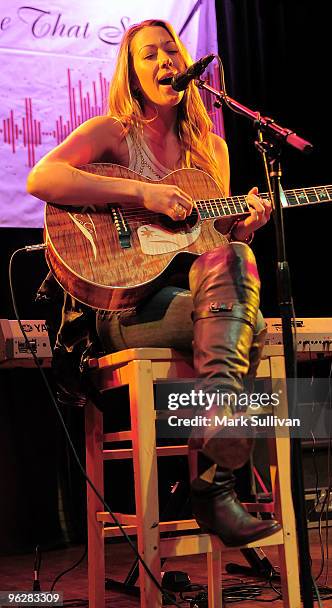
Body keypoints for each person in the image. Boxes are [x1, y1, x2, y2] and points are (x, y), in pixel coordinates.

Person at [27, 19, 280, 546]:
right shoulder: (114, 133)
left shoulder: (214, 151)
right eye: (149, 55)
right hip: (124, 309)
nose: (165, 62)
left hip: (189, 300)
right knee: (247, 323)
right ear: (132, 71)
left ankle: (211, 479)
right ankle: (218, 481)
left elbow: (208, 252)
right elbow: (42, 178)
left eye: (171, 51)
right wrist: (145, 197)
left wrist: (243, 229)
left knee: (234, 264)